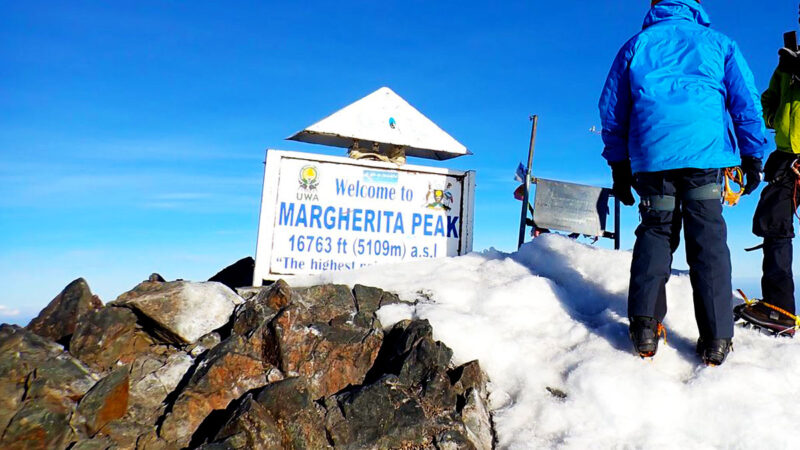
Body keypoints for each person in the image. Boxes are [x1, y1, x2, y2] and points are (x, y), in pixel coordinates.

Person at [599, 0, 768, 365]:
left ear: (655, 5)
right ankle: (716, 339)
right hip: (704, 155)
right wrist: (753, 155)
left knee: (656, 232)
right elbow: (746, 103)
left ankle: (644, 329)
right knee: (707, 240)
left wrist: (619, 165)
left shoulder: (636, 45)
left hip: (652, 158)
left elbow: (613, 109)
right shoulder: (718, 43)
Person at [735, 14, 800, 337]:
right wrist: (776, 117)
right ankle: (780, 310)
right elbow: (767, 101)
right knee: (773, 223)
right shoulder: (790, 59)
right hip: (788, 156)